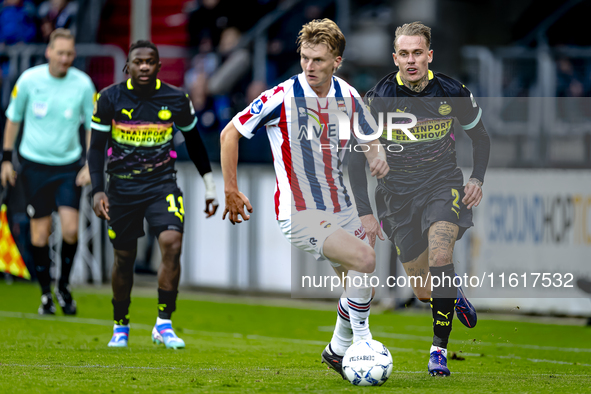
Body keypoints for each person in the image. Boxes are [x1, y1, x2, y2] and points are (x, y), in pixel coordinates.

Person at [220, 19, 389, 380]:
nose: (309, 66)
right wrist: (230, 189)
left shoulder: (347, 94)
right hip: (299, 212)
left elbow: (370, 134)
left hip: (340, 209)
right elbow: (229, 133)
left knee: (360, 284)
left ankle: (337, 349)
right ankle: (363, 345)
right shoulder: (281, 96)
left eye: (318, 60)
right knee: (365, 258)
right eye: (305, 58)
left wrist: (377, 154)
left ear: (337, 62)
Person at [348, 21, 490, 376]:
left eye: (417, 53)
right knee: (427, 291)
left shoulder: (451, 91)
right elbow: (353, 157)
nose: (411, 60)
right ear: (394, 58)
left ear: (430, 55)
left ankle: (438, 351)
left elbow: (481, 138)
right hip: (396, 198)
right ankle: (452, 293)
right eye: (404, 54)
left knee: (442, 254)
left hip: (442, 185)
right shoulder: (379, 98)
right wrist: (365, 213)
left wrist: (476, 178)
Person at [87, 40, 219, 348]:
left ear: (158, 67)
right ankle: (121, 324)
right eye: (138, 62)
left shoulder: (176, 99)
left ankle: (164, 323)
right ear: (128, 66)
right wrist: (97, 191)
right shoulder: (109, 98)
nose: (144, 66)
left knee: (172, 243)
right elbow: (95, 149)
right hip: (121, 187)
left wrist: (210, 186)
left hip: (162, 184)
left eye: (150, 62)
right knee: (124, 257)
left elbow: (196, 143)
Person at [1, 28, 94, 315]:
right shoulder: (29, 80)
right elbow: (13, 119)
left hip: (68, 166)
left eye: (70, 54)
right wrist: (6, 159)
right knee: (40, 235)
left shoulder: (83, 84)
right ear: (49, 52)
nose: (65, 59)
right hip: (33, 166)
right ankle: (45, 294)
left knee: (70, 229)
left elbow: (94, 127)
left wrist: (91, 163)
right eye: (61, 53)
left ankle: (64, 288)